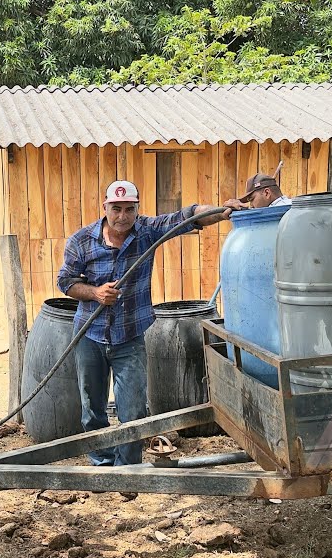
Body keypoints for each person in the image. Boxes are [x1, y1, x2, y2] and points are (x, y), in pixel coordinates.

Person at [57, 180, 247, 466]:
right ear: (104, 207)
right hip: (89, 335)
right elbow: (65, 282)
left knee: (132, 410)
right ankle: (102, 464)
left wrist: (221, 211)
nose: (122, 216)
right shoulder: (81, 241)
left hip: (130, 337)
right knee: (92, 408)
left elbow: (187, 217)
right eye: (116, 208)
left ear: (137, 209)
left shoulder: (146, 232)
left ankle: (128, 469)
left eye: (129, 209)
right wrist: (95, 293)